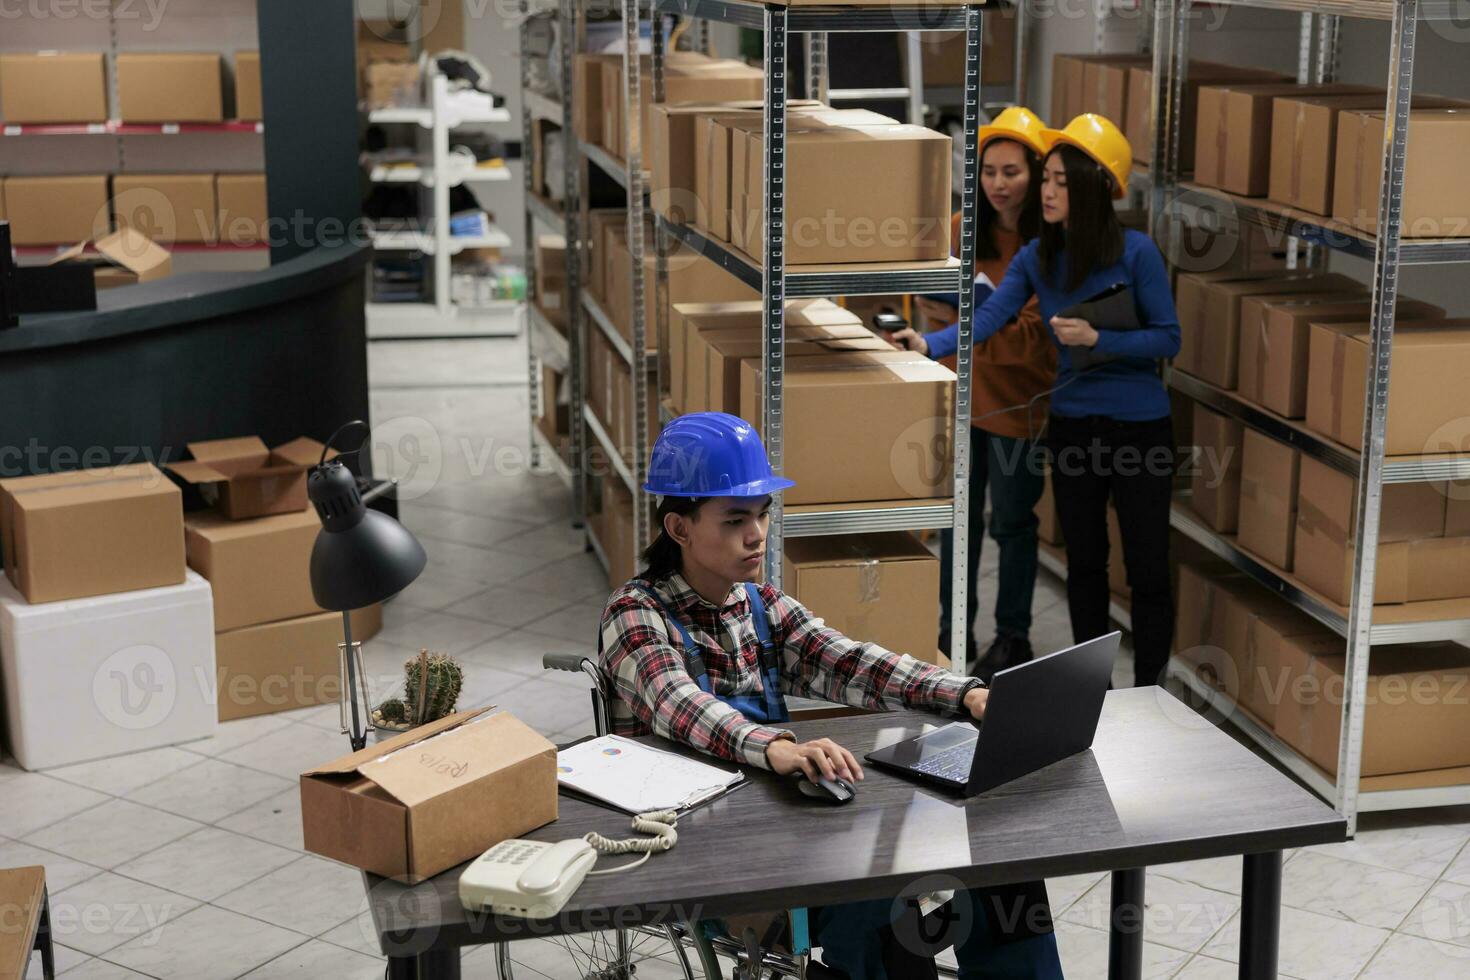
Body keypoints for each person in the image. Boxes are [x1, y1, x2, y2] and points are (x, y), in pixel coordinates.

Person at [599, 411, 1064, 979]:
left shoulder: (760, 605)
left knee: (1000, 864)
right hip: (704, 852)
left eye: (764, 514)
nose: (757, 534)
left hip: (785, 821)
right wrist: (776, 749)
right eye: (735, 518)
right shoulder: (635, 614)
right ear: (679, 528)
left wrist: (966, 695)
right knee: (877, 888)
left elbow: (853, 662)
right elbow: (679, 705)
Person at [892, 114, 1180, 688]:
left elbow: (1168, 339)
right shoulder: (1036, 259)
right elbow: (990, 318)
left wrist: (1101, 338)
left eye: (1060, 181)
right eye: (1045, 178)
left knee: (1146, 566)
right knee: (1085, 565)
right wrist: (930, 342)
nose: (1046, 192)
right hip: (1072, 426)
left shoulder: (1137, 253)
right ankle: (1093, 687)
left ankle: (1151, 690)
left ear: (1096, 187)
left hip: (1141, 429)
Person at [911, 106, 1058, 682]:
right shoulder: (957, 228)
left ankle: (1013, 638)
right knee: (957, 523)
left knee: (1015, 525)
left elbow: (1033, 343)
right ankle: (953, 633)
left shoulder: (1050, 245)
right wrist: (976, 327)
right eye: (989, 171)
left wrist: (964, 324)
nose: (998, 184)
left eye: (1012, 172)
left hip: (1022, 407)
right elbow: (926, 310)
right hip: (960, 401)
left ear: (1037, 174)